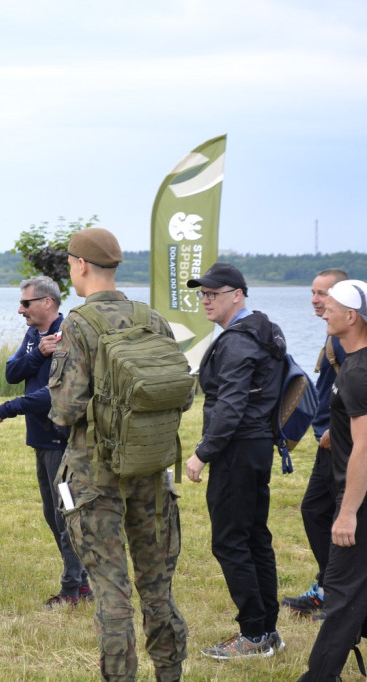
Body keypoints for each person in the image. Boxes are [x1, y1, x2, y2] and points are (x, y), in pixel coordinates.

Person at [48, 228, 187, 682]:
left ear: (81, 265)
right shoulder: (154, 319)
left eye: (70, 263)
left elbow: (65, 410)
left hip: (95, 476)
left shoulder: (78, 324)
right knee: (157, 589)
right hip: (151, 467)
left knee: (112, 593)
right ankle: (169, 673)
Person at [184, 262, 285, 659]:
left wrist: (202, 453)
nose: (205, 300)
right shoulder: (263, 330)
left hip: (237, 449)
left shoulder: (240, 340)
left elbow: (231, 404)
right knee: (255, 537)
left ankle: (254, 635)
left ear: (237, 295)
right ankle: (267, 630)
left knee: (230, 541)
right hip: (257, 446)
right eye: (202, 294)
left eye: (213, 294)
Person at [0, 276, 91, 608]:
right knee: (52, 514)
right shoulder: (35, 335)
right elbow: (12, 373)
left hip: (63, 444)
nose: (21, 310)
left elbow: (53, 396)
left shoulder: (68, 335)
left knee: (65, 516)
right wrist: (38, 356)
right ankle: (84, 584)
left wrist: (7, 408)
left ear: (47, 303)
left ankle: (71, 590)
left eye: (26, 303)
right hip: (41, 441)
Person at [297, 279, 367, 681]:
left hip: (357, 499)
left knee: (339, 595)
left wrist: (348, 513)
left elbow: (364, 447)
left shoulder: (358, 373)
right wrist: (333, 432)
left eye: (332, 306)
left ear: (351, 316)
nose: (323, 310)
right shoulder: (355, 364)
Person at [283, 268, 349, 618]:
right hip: (328, 441)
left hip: (341, 445)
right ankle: (329, 586)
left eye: (323, 293)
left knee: (332, 516)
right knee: (316, 511)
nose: (315, 298)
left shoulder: (347, 338)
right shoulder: (333, 335)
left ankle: (335, 592)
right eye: (313, 291)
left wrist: (337, 431)